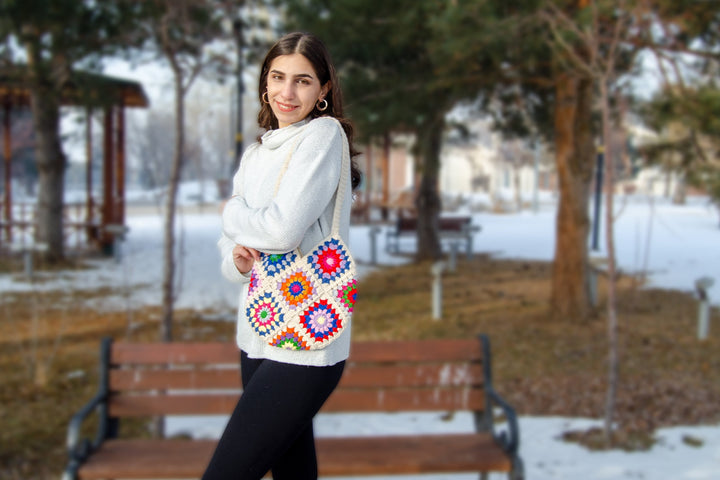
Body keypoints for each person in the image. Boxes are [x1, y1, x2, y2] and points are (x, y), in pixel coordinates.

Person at [202, 32, 361, 480]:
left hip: (307, 342)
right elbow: (234, 244)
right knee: (292, 472)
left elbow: (282, 229)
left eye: (303, 81)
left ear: (324, 89)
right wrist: (236, 259)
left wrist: (233, 212)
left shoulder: (323, 135)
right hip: (258, 330)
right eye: (278, 77)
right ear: (265, 81)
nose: (287, 93)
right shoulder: (256, 152)